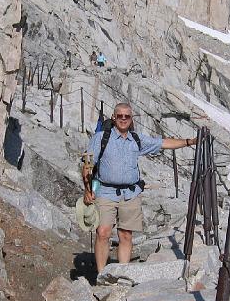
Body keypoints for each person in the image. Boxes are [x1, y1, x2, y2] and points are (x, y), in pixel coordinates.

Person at [83, 102, 197, 273]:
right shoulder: (100, 138)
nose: (123, 119)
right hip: (105, 192)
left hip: (131, 193)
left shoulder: (137, 139)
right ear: (113, 117)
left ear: (131, 119)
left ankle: (122, 274)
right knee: (103, 232)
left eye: (126, 116)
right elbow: (87, 164)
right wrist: (87, 189)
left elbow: (163, 143)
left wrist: (190, 142)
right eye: (119, 116)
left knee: (126, 235)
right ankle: (101, 275)